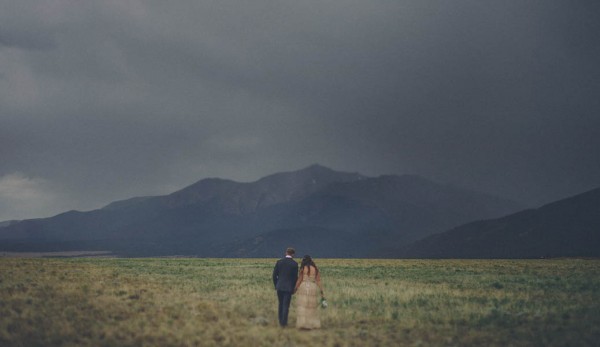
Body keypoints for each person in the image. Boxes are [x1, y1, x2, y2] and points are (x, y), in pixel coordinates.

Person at [294, 255, 324, 329]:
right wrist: (321, 291)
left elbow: (299, 280)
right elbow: (318, 280)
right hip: (313, 287)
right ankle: (312, 323)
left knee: (303, 306)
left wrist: (295, 288)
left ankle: (303, 323)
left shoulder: (303, 268)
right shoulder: (315, 268)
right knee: (312, 306)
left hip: (304, 287)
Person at [272, 247, 299, 327]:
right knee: (286, 305)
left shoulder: (279, 262)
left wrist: (276, 285)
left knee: (280, 304)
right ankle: (284, 323)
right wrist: (294, 288)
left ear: (286, 253)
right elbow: (295, 277)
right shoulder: (295, 264)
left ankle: (280, 321)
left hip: (279, 286)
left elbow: (274, 275)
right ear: (293, 254)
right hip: (288, 288)